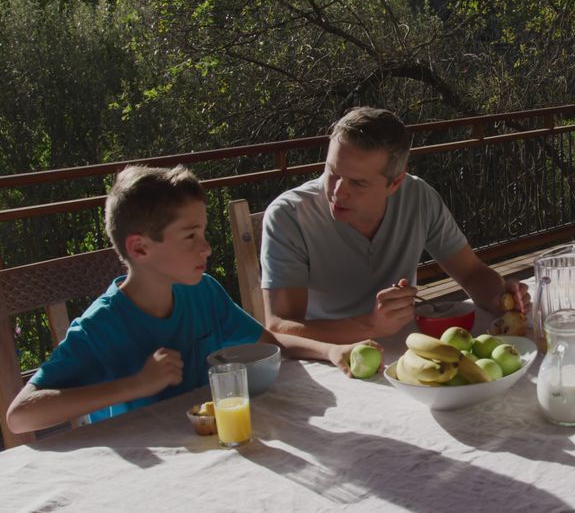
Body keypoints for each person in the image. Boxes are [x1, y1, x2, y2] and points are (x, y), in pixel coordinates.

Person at [5, 166, 359, 434]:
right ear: (140, 247)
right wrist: (136, 385)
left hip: (208, 451)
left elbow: (268, 343)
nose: (206, 247)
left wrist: (330, 351)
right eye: (191, 236)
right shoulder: (100, 327)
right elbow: (21, 416)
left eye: (203, 232)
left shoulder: (203, 291)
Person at [260, 106, 530, 343]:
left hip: (408, 349)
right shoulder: (289, 216)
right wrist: (369, 326)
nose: (338, 192)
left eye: (358, 183)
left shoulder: (418, 197)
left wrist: (499, 298)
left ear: (396, 183)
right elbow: (280, 327)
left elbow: (472, 274)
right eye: (332, 172)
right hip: (325, 362)